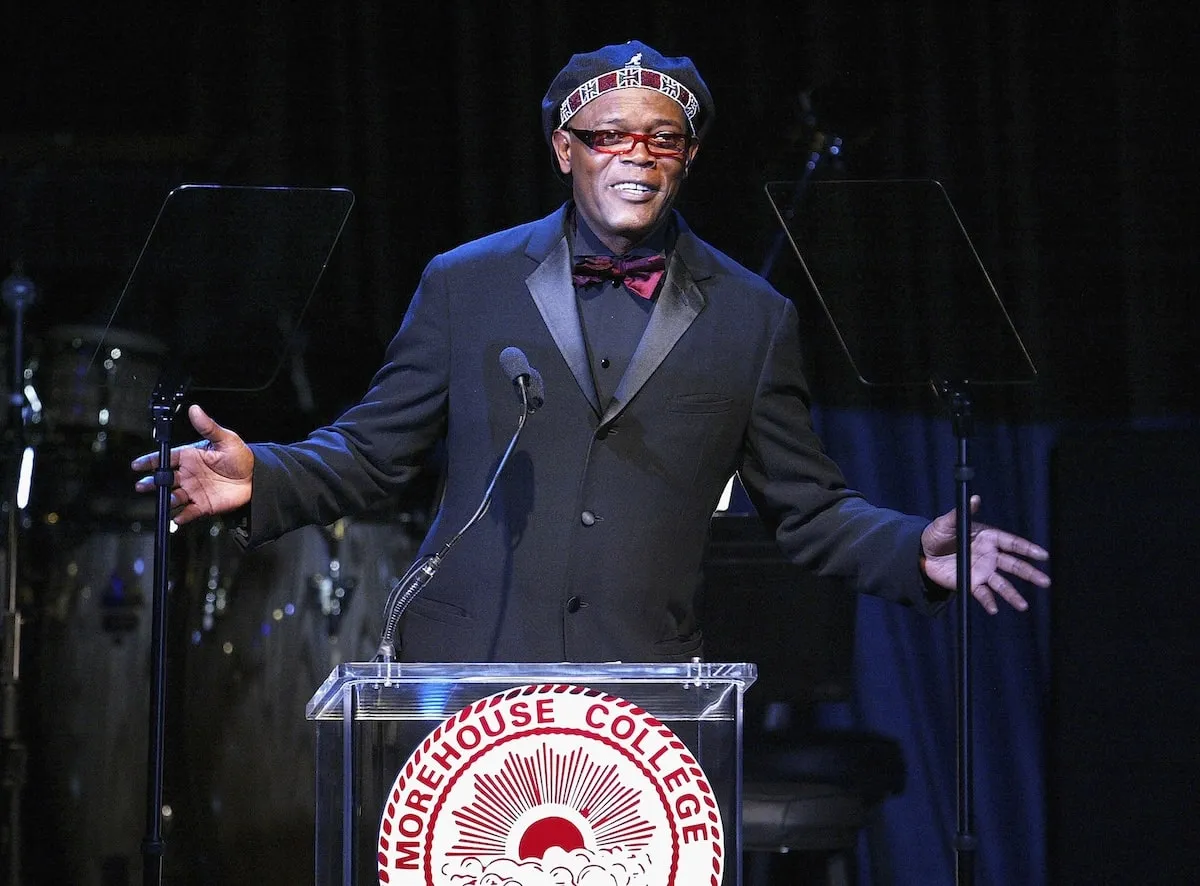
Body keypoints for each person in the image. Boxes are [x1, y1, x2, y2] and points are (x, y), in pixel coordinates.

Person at [132, 40, 1049, 663]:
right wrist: (268, 476)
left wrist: (909, 549)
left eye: (663, 138)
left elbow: (806, 507)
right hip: (472, 672)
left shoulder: (751, 316)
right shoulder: (467, 281)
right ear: (565, 149)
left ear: (687, 159)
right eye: (610, 136)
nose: (636, 157)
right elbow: (375, 452)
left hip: (643, 684)